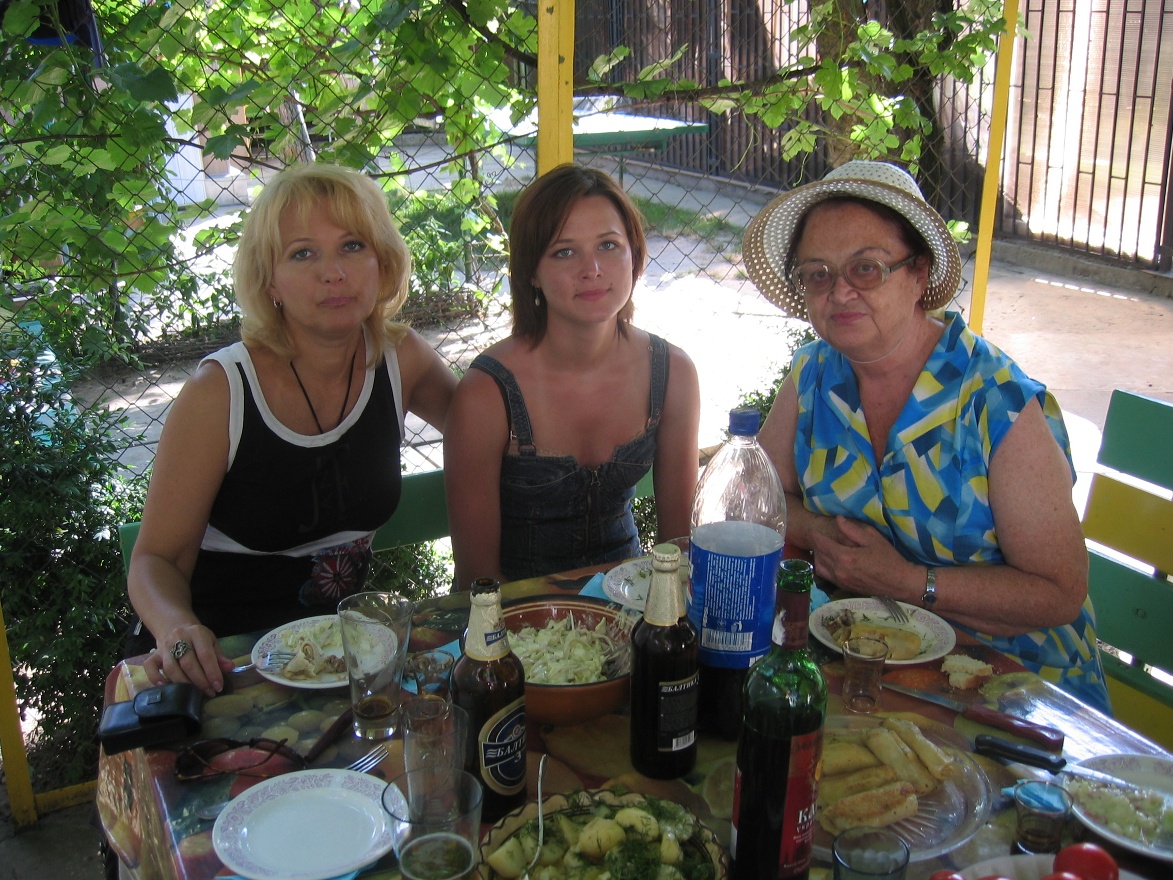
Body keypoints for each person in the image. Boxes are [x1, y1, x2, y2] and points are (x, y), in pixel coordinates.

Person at [745, 160, 1110, 713]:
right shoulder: (815, 373)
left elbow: (1059, 592)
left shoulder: (995, 400)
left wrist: (908, 581)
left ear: (919, 274)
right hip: (870, 669)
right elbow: (757, 500)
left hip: (1015, 692)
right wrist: (826, 536)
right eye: (817, 273)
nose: (839, 291)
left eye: (866, 268)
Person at [128, 163, 456, 696]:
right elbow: (154, 560)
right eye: (303, 253)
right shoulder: (222, 391)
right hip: (216, 667)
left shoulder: (401, 360)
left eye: (353, 246)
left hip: (334, 664)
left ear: (383, 263)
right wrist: (178, 630)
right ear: (270, 280)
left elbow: (495, 436)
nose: (333, 272)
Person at [444, 164, 701, 589]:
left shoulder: (673, 372)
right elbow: (478, 579)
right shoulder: (487, 393)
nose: (592, 270)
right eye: (564, 251)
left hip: (630, 603)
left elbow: (680, 547)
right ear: (531, 272)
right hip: (520, 620)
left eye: (608, 245)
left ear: (635, 253)